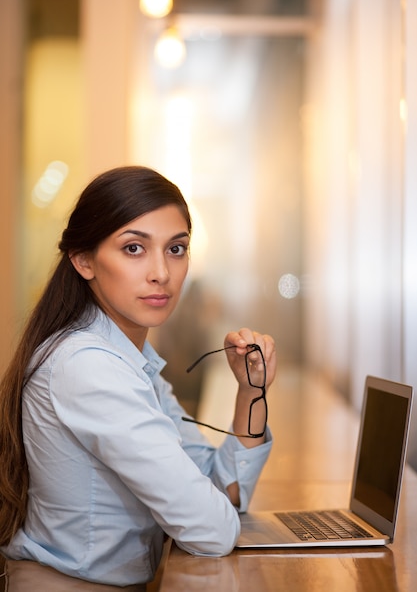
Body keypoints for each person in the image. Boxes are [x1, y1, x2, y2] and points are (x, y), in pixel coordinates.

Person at [0, 166, 276, 591]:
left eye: (177, 249)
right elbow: (214, 530)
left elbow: (225, 497)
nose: (161, 273)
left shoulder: (129, 357)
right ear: (84, 260)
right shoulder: (87, 366)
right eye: (134, 248)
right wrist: (211, 510)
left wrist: (249, 393)